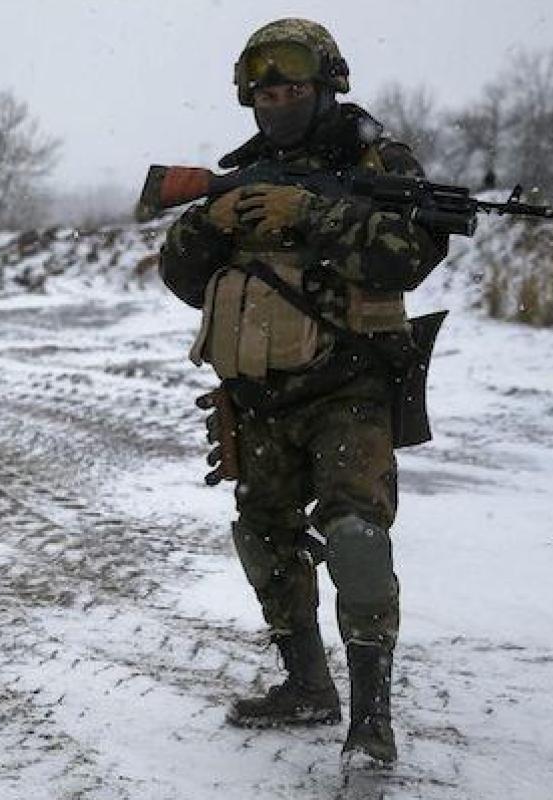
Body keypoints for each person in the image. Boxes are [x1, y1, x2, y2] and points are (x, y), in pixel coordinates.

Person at [158, 18, 449, 764]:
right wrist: (210, 221)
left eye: (292, 85)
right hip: (256, 393)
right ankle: (306, 686)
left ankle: (371, 720)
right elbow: (183, 279)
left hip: (348, 384)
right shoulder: (242, 170)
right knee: (263, 537)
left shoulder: (376, 159)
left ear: (327, 85)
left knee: (354, 537)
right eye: (264, 89)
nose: (277, 99)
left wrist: (313, 215)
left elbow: (407, 256)